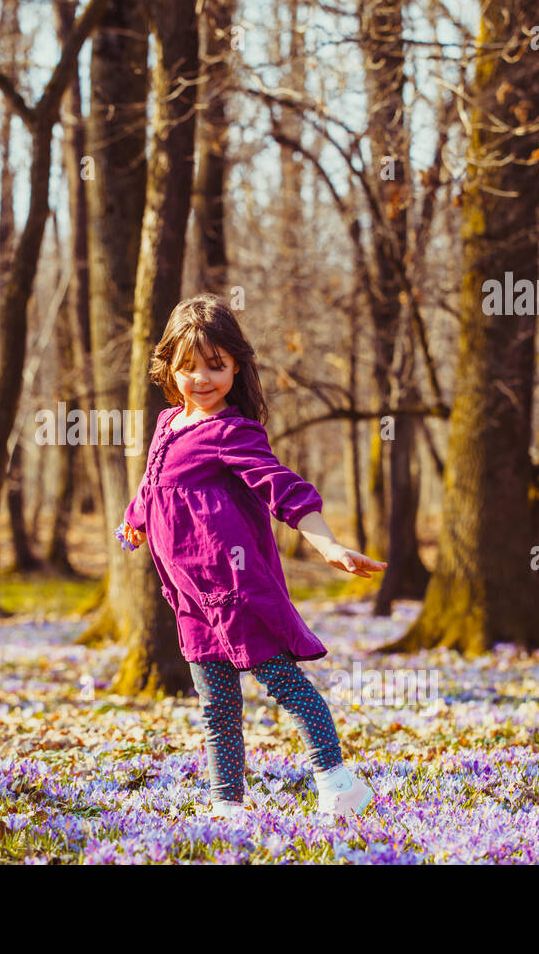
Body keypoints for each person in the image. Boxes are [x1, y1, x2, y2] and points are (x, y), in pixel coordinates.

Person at [113, 293, 387, 823]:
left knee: (285, 684)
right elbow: (153, 486)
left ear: (236, 365)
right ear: (169, 366)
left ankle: (338, 782)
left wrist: (326, 543)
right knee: (216, 707)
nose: (201, 379)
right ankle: (227, 805)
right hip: (191, 599)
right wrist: (134, 520)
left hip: (236, 591)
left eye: (215, 366)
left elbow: (283, 488)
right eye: (188, 366)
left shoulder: (232, 433)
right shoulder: (168, 424)